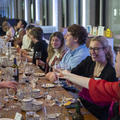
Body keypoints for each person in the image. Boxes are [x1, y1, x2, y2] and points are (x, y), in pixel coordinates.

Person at [60, 51, 120, 120]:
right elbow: (100, 96)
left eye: (116, 61)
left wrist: (69, 75)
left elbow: (95, 86)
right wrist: (77, 85)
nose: (114, 64)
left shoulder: (115, 83)